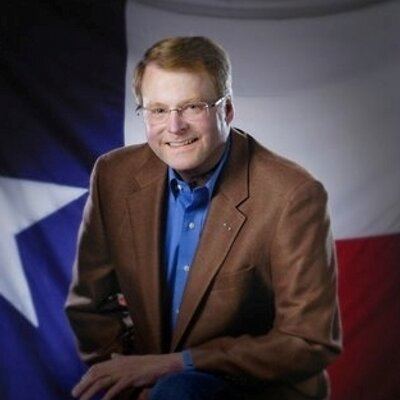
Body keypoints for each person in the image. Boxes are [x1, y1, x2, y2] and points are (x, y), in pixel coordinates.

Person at [65, 36, 342, 400]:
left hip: (259, 390)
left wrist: (178, 365)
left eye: (192, 107)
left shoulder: (292, 195)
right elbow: (90, 307)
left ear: (226, 110)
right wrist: (136, 383)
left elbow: (308, 340)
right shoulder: (113, 175)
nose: (174, 126)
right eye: (158, 110)